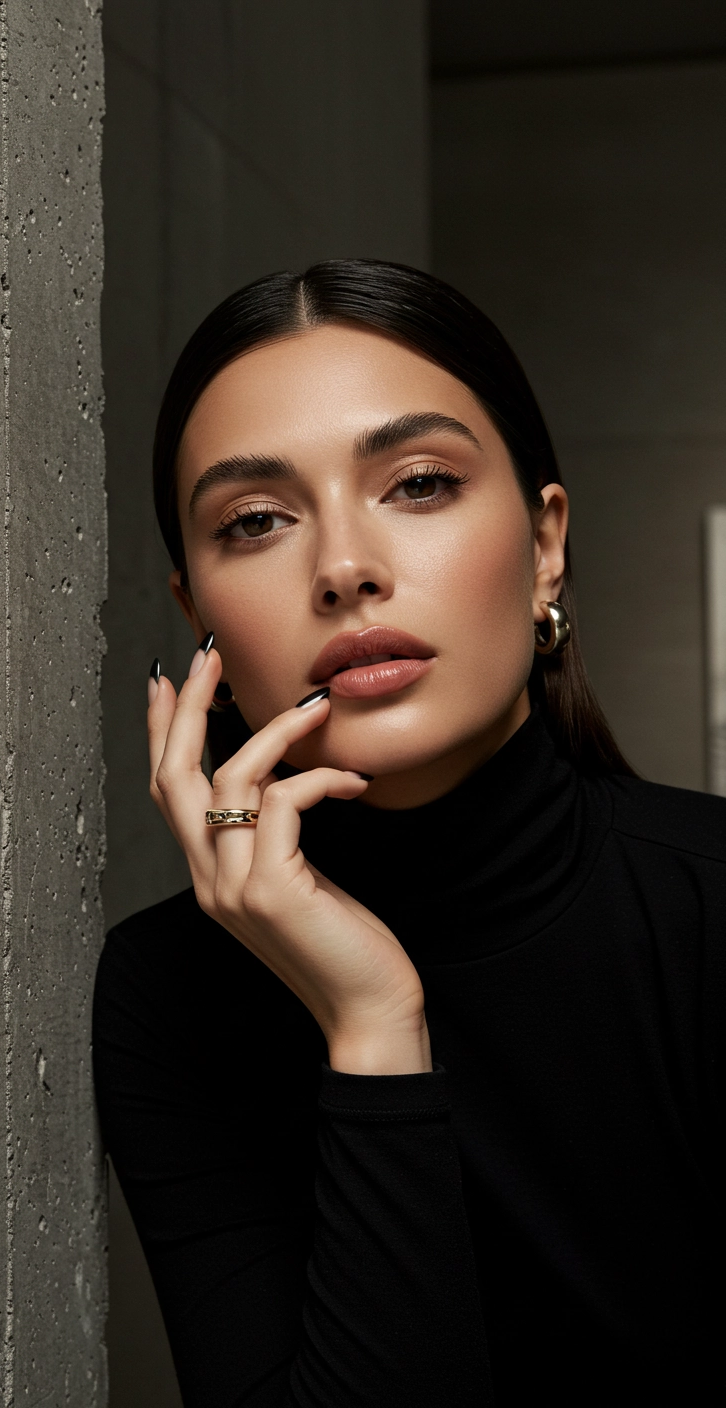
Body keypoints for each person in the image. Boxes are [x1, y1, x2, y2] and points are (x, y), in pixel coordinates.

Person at [92, 260, 726, 1407]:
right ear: (200, 620)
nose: (343, 567)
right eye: (257, 521)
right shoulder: (167, 992)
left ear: (545, 546)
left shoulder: (706, 908)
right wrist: (375, 1025)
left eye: (419, 483)